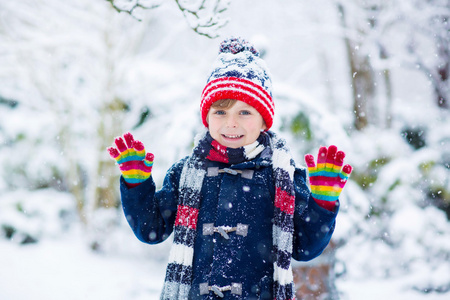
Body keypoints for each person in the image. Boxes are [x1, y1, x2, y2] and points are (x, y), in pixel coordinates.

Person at [107, 37, 352, 300]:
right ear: (207, 117)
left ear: (263, 121)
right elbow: (150, 230)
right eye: (220, 113)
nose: (231, 124)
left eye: (245, 113)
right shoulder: (186, 174)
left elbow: (305, 247)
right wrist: (136, 185)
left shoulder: (282, 178)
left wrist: (322, 205)